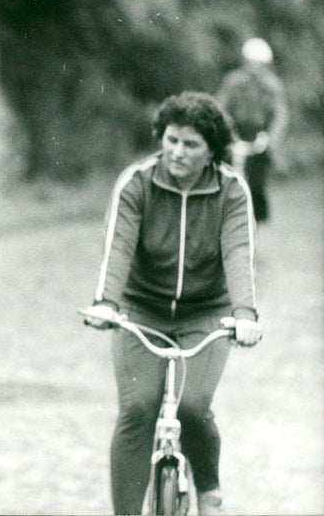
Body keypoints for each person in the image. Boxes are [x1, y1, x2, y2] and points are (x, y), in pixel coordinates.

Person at [82, 91, 262, 516]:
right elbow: (118, 246)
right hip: (142, 310)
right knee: (137, 408)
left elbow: (239, 252)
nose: (177, 152)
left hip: (206, 313)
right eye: (171, 140)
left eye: (191, 144)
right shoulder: (137, 183)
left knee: (193, 406)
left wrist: (244, 314)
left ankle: (209, 489)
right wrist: (107, 302)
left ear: (212, 151)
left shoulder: (232, 191)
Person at [216, 37, 289, 223]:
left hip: (260, 136)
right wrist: (227, 134)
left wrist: (270, 139)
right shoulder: (233, 81)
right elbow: (221, 108)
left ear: (266, 64)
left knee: (257, 184)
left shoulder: (272, 86)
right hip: (235, 133)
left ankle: (255, 225)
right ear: (245, 61)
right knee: (222, 176)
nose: (255, 67)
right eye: (251, 62)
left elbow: (280, 115)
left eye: (259, 63)